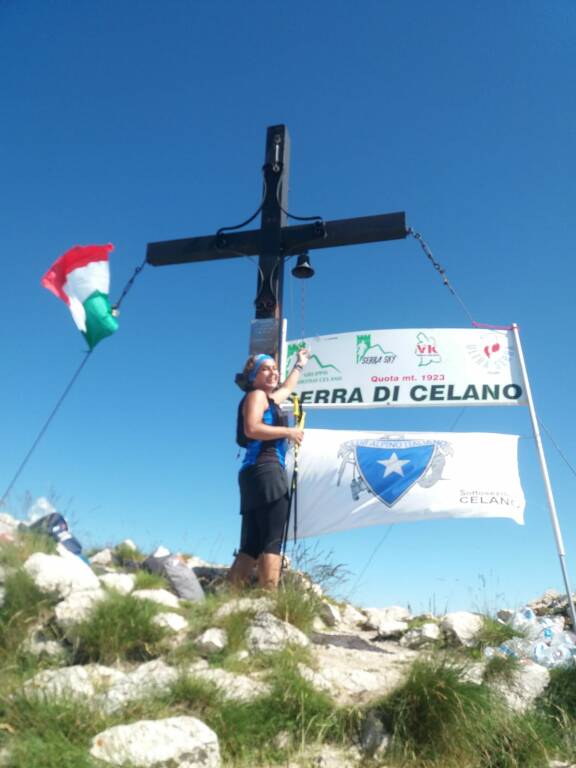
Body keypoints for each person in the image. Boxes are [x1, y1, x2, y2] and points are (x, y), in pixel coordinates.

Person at [229, 347, 310, 589]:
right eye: (265, 369)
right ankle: (269, 601)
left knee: (251, 545)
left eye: (275, 369)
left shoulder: (269, 399)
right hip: (266, 469)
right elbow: (251, 428)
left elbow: (286, 388)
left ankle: (229, 597)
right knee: (272, 540)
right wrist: (289, 432)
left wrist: (299, 364)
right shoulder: (256, 396)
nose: (273, 373)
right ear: (253, 376)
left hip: (253, 472)